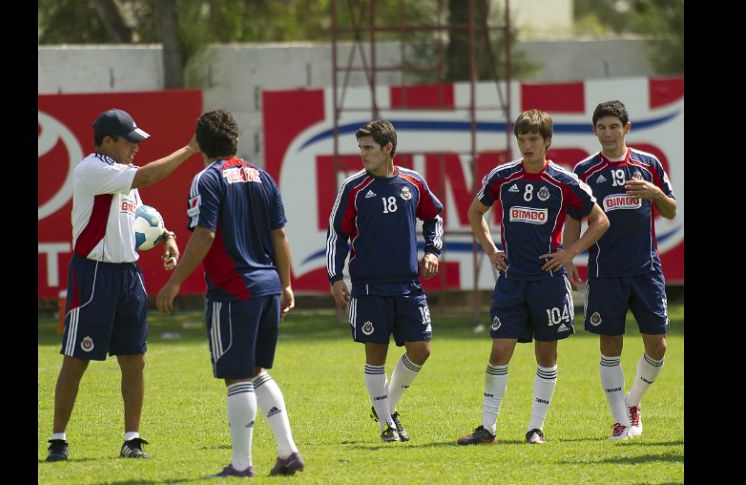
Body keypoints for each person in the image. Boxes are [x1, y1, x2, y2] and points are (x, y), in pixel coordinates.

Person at [155, 109, 304, 478]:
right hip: (268, 286)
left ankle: (240, 465)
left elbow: (204, 234)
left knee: (237, 377)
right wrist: (286, 284)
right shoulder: (263, 177)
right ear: (235, 140)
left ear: (201, 143)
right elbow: (279, 235)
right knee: (256, 371)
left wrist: (174, 283)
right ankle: (287, 454)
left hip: (233, 290)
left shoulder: (206, 179)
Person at [46, 108, 199, 462]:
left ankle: (132, 439)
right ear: (108, 141)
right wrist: (189, 150)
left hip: (128, 275)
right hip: (94, 274)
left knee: (135, 359)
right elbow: (144, 178)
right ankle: (58, 440)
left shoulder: (122, 176)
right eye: (130, 141)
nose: (136, 147)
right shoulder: (93, 169)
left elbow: (142, 215)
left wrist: (168, 238)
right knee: (76, 358)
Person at [458, 109, 610, 446]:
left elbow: (600, 221)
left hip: (548, 282)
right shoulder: (502, 177)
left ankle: (535, 428)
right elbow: (475, 212)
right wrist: (491, 250)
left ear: (547, 142)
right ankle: (487, 428)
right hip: (512, 281)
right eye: (522, 139)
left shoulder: (564, 181)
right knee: (499, 351)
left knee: (546, 354)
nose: (527, 146)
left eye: (533, 140)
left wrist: (569, 253)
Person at [326, 120, 444, 443]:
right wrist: (336, 277)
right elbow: (337, 235)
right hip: (368, 289)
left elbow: (434, 215)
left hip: (409, 285)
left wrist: (433, 251)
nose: (363, 154)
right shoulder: (353, 188)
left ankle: (386, 409)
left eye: (369, 148)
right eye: (361, 148)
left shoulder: (413, 182)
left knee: (422, 349)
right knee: (375, 356)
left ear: (387, 149)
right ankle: (386, 427)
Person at [565, 100, 676, 440]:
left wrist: (655, 192)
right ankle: (620, 421)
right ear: (594, 131)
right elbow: (573, 218)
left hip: (646, 270)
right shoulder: (584, 171)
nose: (608, 133)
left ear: (626, 129)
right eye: (602, 127)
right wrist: (569, 257)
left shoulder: (649, 164)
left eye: (615, 126)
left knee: (658, 345)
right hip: (605, 273)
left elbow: (670, 211)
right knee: (610, 346)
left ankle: (632, 402)